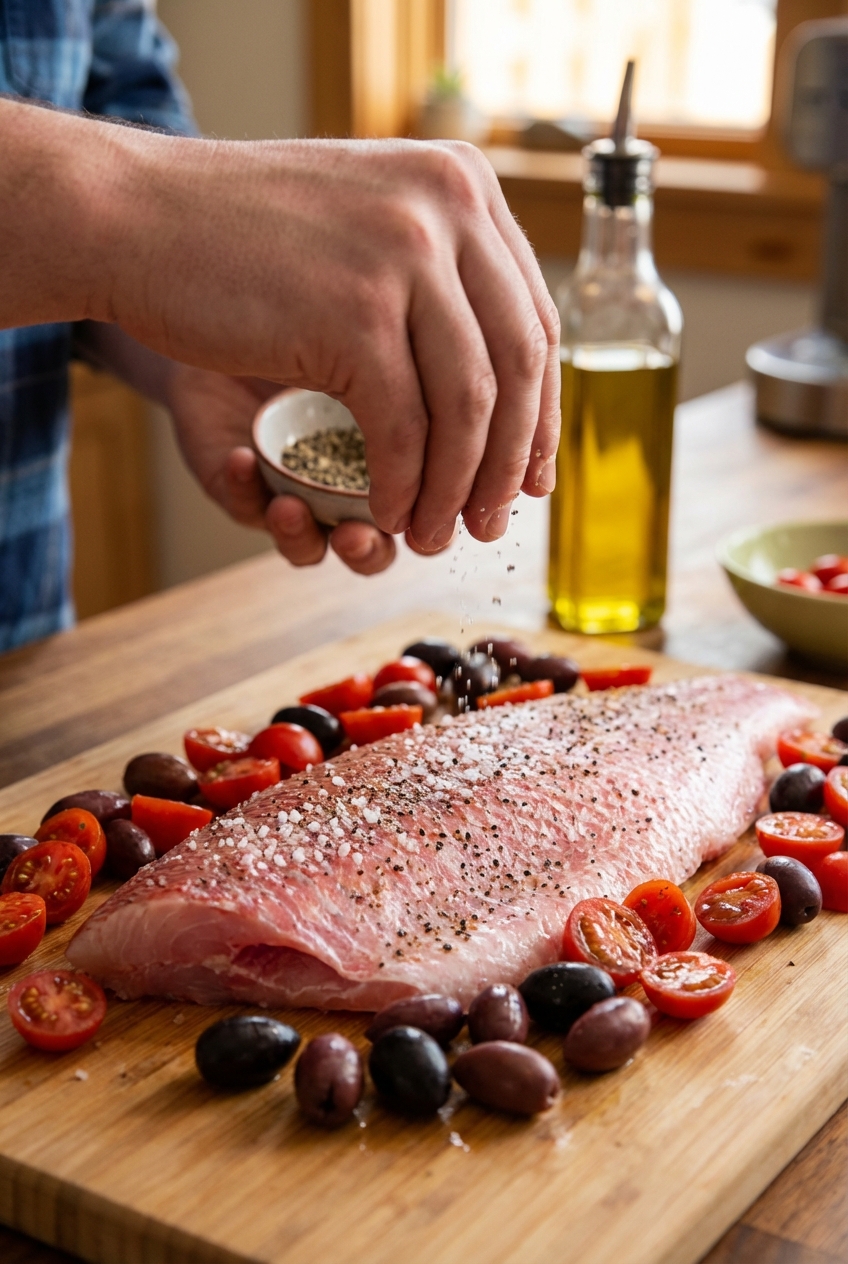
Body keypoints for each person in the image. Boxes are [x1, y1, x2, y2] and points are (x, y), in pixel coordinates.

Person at [0, 1, 560, 654]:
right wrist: (165, 211)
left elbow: (120, 104)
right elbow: (133, 207)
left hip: (28, 641)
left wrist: (190, 358)